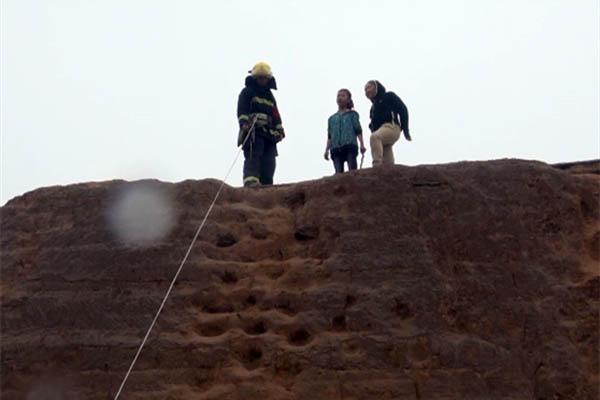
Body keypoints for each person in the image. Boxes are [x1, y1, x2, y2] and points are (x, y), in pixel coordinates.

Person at [237, 62, 285, 187]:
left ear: (268, 79)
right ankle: (251, 182)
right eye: (259, 77)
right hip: (254, 131)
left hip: (269, 134)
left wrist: (280, 129)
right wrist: (244, 123)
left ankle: (266, 185)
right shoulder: (247, 92)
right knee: (254, 156)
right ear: (255, 78)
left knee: (269, 161)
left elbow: (275, 114)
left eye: (264, 78)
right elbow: (242, 109)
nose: (262, 80)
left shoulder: (270, 96)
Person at [364, 80, 411, 166]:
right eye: (365, 89)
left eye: (369, 87)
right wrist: (371, 127)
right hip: (382, 132)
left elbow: (403, 109)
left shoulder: (389, 96)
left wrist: (405, 129)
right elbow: (373, 123)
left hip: (391, 127)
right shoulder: (373, 109)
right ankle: (389, 173)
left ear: (376, 86)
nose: (367, 90)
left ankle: (376, 165)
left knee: (375, 137)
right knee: (387, 161)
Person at [324, 89, 366, 173]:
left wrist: (362, 145)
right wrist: (326, 150)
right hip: (335, 148)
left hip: (350, 146)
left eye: (343, 96)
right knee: (338, 173)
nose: (340, 98)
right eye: (338, 96)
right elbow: (330, 136)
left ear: (348, 99)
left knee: (352, 171)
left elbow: (358, 130)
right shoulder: (332, 118)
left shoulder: (353, 114)